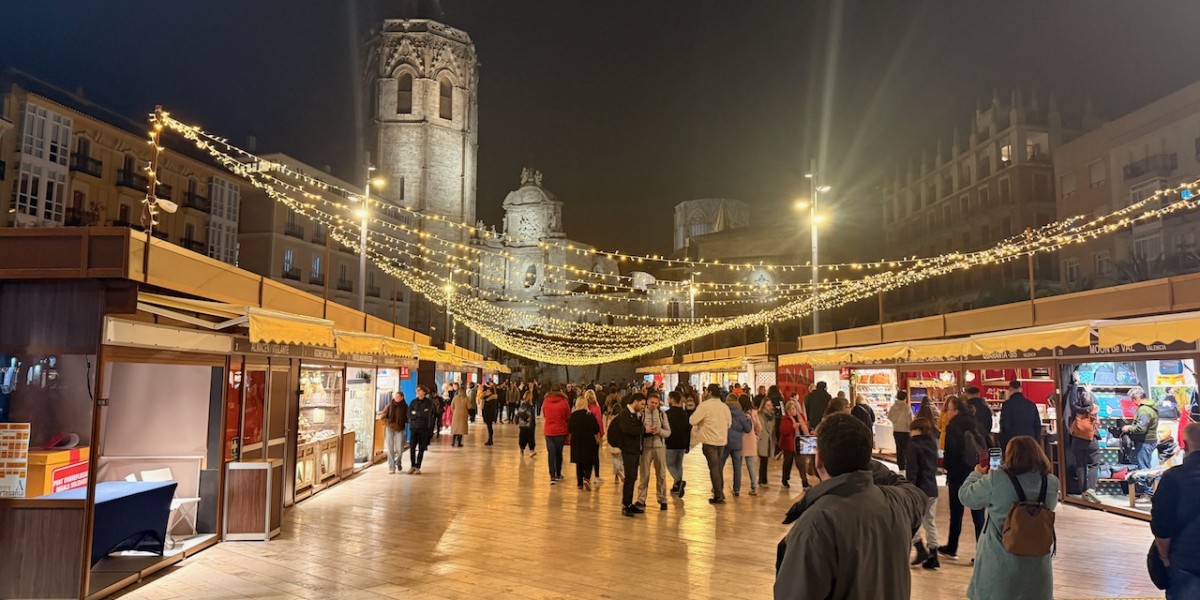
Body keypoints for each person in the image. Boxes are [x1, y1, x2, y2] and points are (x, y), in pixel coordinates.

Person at [774, 414, 927, 599]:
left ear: (819, 458)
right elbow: (915, 493)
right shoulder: (897, 501)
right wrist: (861, 462)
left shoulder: (817, 522)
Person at [959, 436, 1060, 600]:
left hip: (1000, 561)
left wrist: (976, 474)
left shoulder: (996, 478)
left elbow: (966, 497)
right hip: (1038, 564)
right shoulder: (1051, 483)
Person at [1151, 422, 1200, 599]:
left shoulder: (1173, 478)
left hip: (1185, 561)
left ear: (1185, 445)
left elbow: (1162, 526)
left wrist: (1164, 558)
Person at [940, 395, 986, 560]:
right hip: (977, 471)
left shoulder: (953, 427)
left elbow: (951, 453)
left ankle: (952, 547)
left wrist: (947, 469)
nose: (948, 413)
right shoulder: (975, 424)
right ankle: (982, 552)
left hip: (958, 473)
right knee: (978, 513)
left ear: (956, 411)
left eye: (949, 409)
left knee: (956, 511)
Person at [907, 417, 941, 570]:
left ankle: (920, 549)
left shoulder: (913, 446)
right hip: (932, 488)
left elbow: (912, 471)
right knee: (930, 522)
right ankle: (934, 555)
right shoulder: (932, 443)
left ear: (918, 430)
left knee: (910, 521)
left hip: (919, 489)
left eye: (912, 429)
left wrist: (908, 489)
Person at [690, 383, 733, 504]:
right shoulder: (724, 407)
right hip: (722, 441)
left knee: (714, 468)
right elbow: (729, 424)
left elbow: (692, 420)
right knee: (718, 467)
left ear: (709, 392)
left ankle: (718, 495)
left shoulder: (704, 406)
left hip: (709, 441)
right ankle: (720, 491)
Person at [611, 393, 650, 516]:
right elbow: (627, 429)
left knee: (632, 477)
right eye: (642, 404)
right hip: (628, 450)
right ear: (636, 402)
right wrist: (644, 430)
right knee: (629, 478)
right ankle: (625, 504)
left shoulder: (634, 414)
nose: (643, 407)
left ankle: (629, 503)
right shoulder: (625, 415)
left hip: (634, 450)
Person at [635, 391, 671, 510]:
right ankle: (641, 499)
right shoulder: (641, 414)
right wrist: (645, 430)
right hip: (645, 448)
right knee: (644, 474)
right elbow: (637, 430)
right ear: (647, 402)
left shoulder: (662, 415)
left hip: (659, 447)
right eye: (652, 402)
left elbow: (668, 432)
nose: (654, 405)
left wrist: (659, 432)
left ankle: (662, 499)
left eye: (656, 403)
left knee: (661, 474)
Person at [1124, 386, 1160, 494]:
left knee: (1143, 469)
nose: (1133, 402)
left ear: (1137, 398)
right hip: (1150, 441)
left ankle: (1147, 493)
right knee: (1146, 467)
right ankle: (1146, 491)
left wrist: (1128, 428)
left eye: (1133, 399)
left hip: (1145, 442)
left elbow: (1141, 428)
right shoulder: (1151, 407)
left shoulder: (1144, 410)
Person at [1068, 392, 1101, 503]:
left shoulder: (1075, 409)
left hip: (1077, 440)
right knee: (1093, 464)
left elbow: (1072, 400)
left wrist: (1075, 384)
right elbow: (1095, 401)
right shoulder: (1094, 408)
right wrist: (1089, 391)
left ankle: (1083, 493)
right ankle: (1091, 489)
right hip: (1091, 439)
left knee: (1080, 466)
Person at [998, 380, 1041, 452]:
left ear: (1010, 389)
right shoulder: (1031, 404)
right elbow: (1037, 425)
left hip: (1013, 441)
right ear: (1021, 389)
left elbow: (1005, 425)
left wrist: (1003, 443)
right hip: (1029, 440)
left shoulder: (1007, 405)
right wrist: (1034, 440)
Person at [568, 397, 601, 491]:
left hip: (577, 441)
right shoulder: (590, 415)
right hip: (589, 441)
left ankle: (579, 484)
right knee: (589, 461)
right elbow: (596, 429)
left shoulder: (573, 415)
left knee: (579, 463)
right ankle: (587, 478)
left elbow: (569, 428)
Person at [779, 400, 812, 489]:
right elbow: (782, 431)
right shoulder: (785, 419)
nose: (792, 411)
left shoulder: (800, 417)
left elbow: (804, 428)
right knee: (788, 463)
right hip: (789, 445)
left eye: (794, 409)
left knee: (801, 463)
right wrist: (792, 427)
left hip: (801, 443)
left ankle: (805, 482)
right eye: (790, 409)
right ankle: (785, 479)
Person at [664, 391, 692, 498]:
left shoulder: (667, 414)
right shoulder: (684, 414)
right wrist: (687, 445)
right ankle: (676, 487)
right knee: (678, 465)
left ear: (671, 399)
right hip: (682, 443)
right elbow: (688, 430)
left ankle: (678, 482)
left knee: (670, 464)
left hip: (671, 443)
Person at [542, 384, 571, 484]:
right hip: (560, 431)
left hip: (549, 431)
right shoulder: (564, 402)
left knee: (551, 454)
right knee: (559, 453)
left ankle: (552, 477)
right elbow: (568, 416)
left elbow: (545, 415)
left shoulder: (546, 401)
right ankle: (558, 473)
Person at [407, 385, 436, 474]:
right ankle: (412, 465)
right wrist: (419, 413)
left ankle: (418, 466)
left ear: (424, 392)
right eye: (417, 390)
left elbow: (427, 414)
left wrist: (415, 413)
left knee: (421, 448)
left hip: (424, 427)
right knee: (412, 447)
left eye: (419, 390)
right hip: (414, 427)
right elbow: (409, 414)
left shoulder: (429, 402)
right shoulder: (413, 402)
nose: (417, 392)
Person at [377, 391, 408, 474]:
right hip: (390, 428)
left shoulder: (405, 407)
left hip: (400, 429)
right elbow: (382, 416)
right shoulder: (390, 405)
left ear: (402, 398)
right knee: (390, 448)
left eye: (398, 397)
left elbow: (407, 418)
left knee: (399, 449)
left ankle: (398, 462)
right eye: (395, 396)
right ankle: (391, 467)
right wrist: (388, 423)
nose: (396, 398)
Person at [887, 391, 913, 471]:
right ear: (905, 398)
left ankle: (900, 466)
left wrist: (895, 423)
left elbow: (889, 417)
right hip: (905, 431)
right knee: (906, 449)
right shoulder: (906, 407)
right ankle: (907, 465)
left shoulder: (893, 407)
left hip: (896, 430)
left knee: (899, 449)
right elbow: (910, 420)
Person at [585, 389, 606, 484]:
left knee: (586, 456)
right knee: (595, 456)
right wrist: (601, 434)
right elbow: (599, 423)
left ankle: (585, 476)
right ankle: (596, 477)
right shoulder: (596, 408)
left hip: (585, 435)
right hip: (594, 435)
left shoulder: (584, 408)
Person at [756, 396, 778, 488]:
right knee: (763, 460)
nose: (769, 407)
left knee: (765, 460)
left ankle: (763, 480)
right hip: (762, 439)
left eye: (770, 405)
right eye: (767, 405)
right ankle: (762, 480)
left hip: (769, 440)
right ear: (763, 405)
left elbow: (772, 429)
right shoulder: (760, 415)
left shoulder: (772, 416)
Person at [606, 398, 626, 482]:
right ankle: (621, 472)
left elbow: (608, 429)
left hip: (612, 442)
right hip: (621, 442)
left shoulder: (610, 419)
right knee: (621, 459)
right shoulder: (623, 419)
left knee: (615, 459)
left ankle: (616, 476)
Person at [515, 391, 537, 457]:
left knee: (522, 437)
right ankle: (531, 450)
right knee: (530, 438)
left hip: (522, 425)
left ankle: (522, 449)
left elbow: (518, 414)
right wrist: (533, 425)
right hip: (529, 425)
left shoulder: (522, 405)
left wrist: (517, 421)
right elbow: (531, 417)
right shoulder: (530, 406)